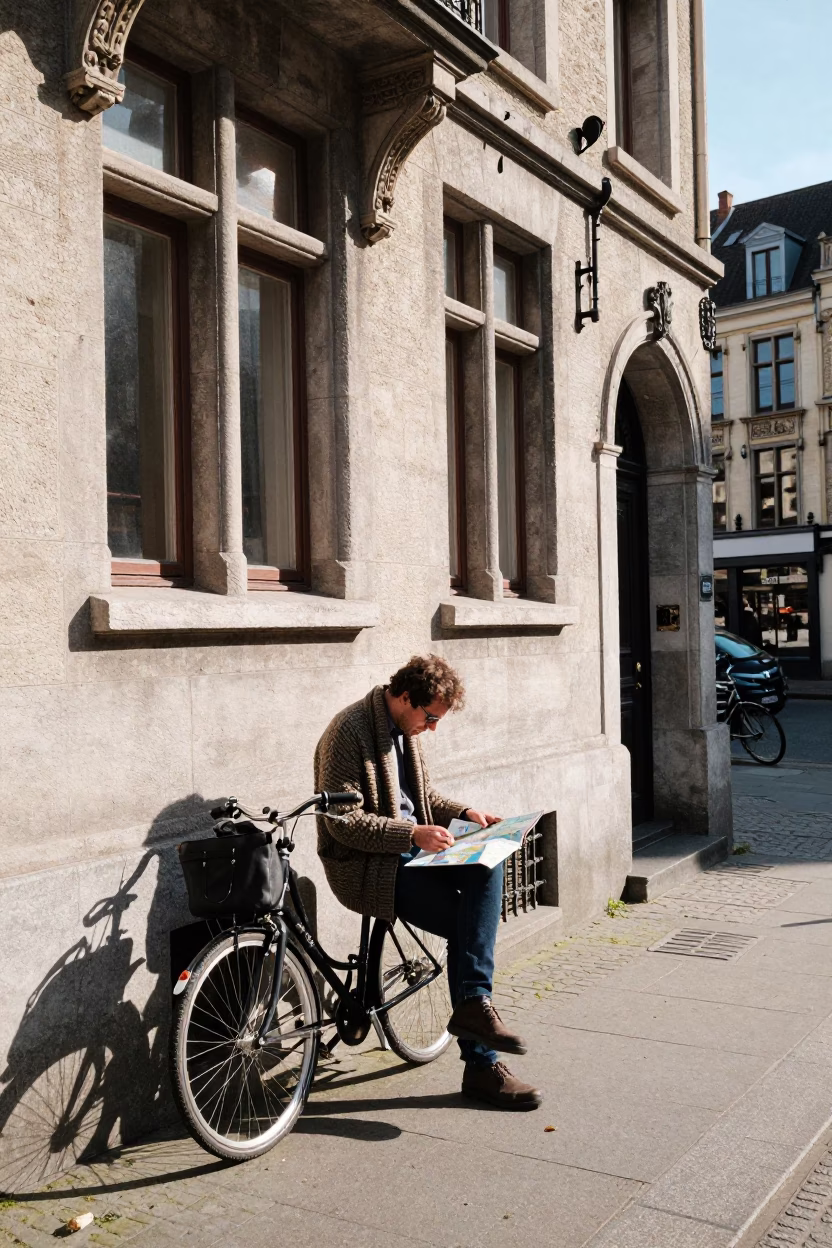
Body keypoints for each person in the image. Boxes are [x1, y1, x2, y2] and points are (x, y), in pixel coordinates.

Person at [314, 654, 542, 1110]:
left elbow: (423, 797)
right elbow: (342, 822)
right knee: (467, 927)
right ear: (404, 697)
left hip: (412, 853)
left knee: (488, 863)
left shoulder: (405, 729)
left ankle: (474, 1009)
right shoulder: (349, 732)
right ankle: (481, 1063)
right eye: (430, 718)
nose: (432, 728)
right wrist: (411, 834)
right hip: (369, 866)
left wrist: (465, 814)